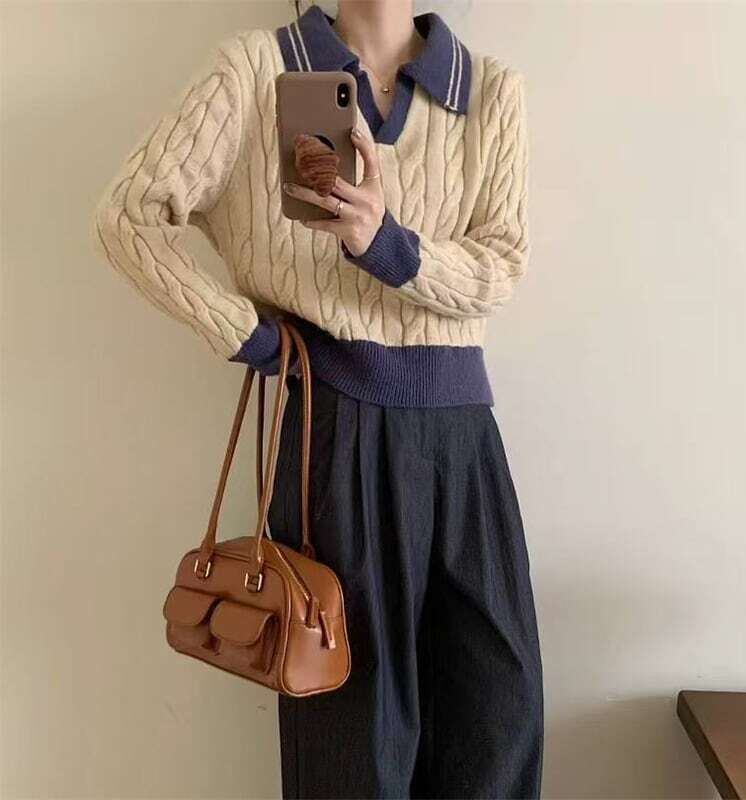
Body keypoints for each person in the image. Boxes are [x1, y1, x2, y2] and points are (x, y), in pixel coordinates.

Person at [92, 0, 544, 797]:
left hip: (465, 440)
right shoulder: (256, 70)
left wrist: (388, 246)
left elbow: (500, 265)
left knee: (497, 720)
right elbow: (129, 218)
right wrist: (250, 335)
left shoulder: (489, 90)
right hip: (333, 428)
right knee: (355, 736)